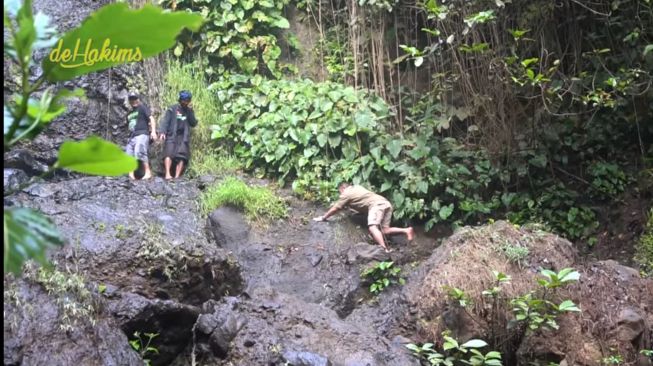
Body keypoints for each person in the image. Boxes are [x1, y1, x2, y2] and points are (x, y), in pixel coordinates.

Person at [313, 182, 414, 252]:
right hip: (385, 203)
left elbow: (336, 208)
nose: (341, 195)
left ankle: (384, 249)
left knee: (372, 227)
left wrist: (324, 217)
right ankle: (406, 230)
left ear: (343, 189)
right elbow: (360, 203)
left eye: (340, 192)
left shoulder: (346, 193)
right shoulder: (357, 188)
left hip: (376, 205)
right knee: (384, 230)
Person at [158, 90, 198, 180]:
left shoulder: (189, 111)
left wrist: (191, 112)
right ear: (180, 100)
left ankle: (177, 176)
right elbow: (165, 121)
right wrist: (162, 132)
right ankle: (167, 174)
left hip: (183, 137)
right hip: (172, 134)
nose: (185, 102)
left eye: (187, 101)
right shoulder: (172, 109)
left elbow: (193, 123)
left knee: (182, 156)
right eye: (184, 100)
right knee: (168, 153)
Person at [125, 92, 157, 180]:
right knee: (128, 155)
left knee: (139, 152)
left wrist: (153, 132)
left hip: (142, 134)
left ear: (138, 99)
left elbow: (151, 119)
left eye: (135, 99)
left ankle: (148, 172)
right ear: (129, 101)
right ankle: (131, 175)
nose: (134, 101)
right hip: (132, 136)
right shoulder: (129, 114)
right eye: (131, 99)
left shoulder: (142, 108)